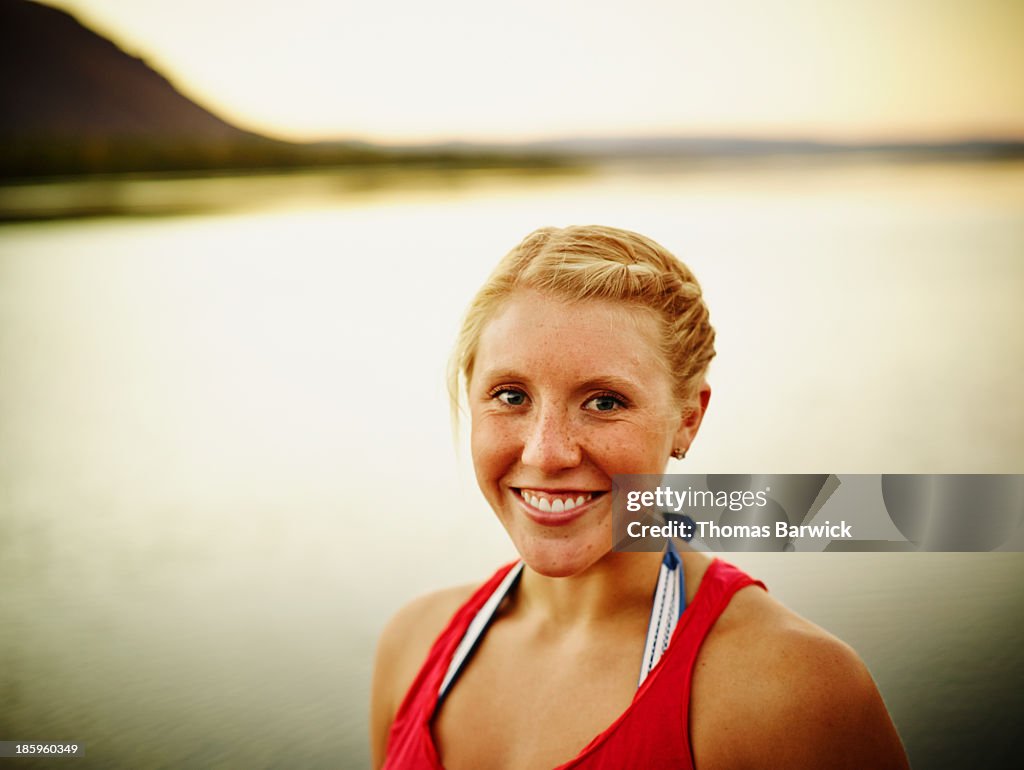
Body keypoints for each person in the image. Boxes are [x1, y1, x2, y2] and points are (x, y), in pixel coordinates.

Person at [370, 225, 909, 769]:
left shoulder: (793, 693)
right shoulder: (414, 643)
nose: (546, 453)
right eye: (510, 396)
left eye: (604, 402)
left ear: (689, 420)